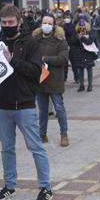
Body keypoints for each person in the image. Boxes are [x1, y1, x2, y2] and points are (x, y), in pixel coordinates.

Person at [0, 5, 53, 200]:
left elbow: (36, 71)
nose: (7, 26)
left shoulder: (30, 44)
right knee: (6, 148)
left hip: (24, 106)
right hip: (2, 106)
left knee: (36, 147)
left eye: (11, 22)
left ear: (19, 22)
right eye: (4, 22)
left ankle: (45, 187)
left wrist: (13, 61)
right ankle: (9, 185)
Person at [33, 15, 70, 147]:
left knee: (59, 108)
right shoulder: (35, 40)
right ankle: (42, 134)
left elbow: (63, 59)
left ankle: (64, 134)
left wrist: (44, 59)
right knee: (42, 110)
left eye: (49, 23)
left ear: (54, 25)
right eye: (44, 23)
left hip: (55, 80)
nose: (46, 25)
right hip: (40, 80)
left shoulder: (60, 41)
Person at [68, 20, 97, 92]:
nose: (82, 28)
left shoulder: (90, 32)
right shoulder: (76, 32)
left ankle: (90, 85)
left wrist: (83, 37)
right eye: (80, 26)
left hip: (88, 52)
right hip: (79, 53)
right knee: (80, 69)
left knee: (89, 68)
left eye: (83, 26)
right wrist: (78, 37)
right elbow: (71, 42)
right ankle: (81, 85)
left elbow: (90, 41)